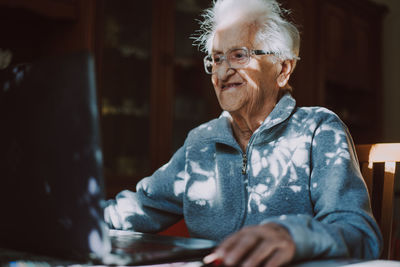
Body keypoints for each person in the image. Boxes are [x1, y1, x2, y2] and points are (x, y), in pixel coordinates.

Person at [104, 0, 382, 266]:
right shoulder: (200, 143)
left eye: (239, 55)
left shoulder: (318, 131)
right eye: (216, 59)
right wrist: (70, 218)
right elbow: (138, 208)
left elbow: (359, 232)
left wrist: (294, 236)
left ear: (283, 69)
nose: (222, 72)